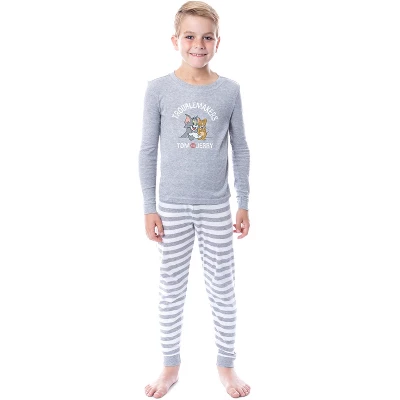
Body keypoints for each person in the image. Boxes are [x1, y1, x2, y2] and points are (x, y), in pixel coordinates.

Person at [139, 1, 251, 397]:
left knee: (223, 288)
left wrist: (244, 201)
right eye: (190, 36)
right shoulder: (158, 89)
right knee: (171, 289)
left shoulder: (229, 91)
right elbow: (147, 151)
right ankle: (170, 366)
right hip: (171, 208)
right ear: (175, 40)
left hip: (216, 207)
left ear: (218, 42)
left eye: (207, 37)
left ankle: (226, 365)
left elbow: (240, 148)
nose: (198, 45)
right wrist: (149, 207)